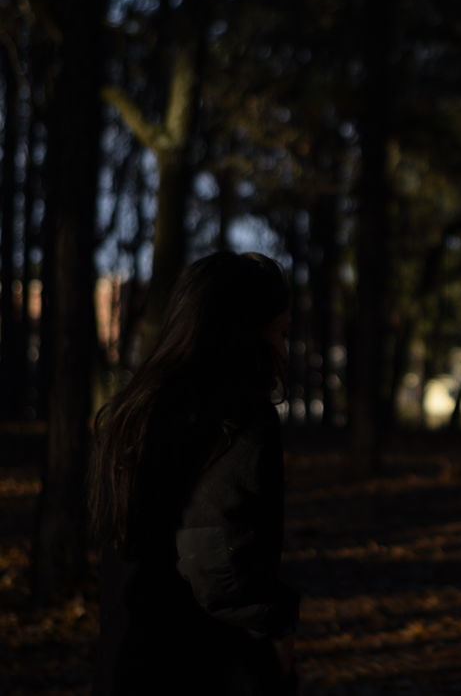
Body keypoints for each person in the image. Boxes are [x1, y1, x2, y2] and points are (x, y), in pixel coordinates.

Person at [90, 251, 300, 696]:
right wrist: (275, 630)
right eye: (279, 332)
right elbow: (218, 557)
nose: (284, 349)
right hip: (208, 663)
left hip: (129, 654)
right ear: (244, 332)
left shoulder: (131, 414)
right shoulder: (239, 419)